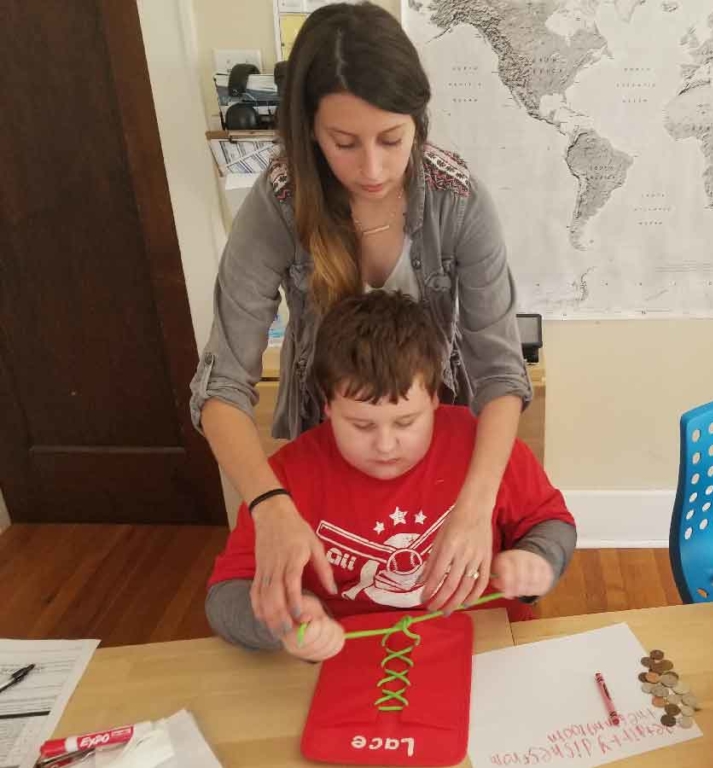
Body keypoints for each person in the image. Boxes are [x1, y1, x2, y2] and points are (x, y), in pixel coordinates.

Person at [190, 3, 533, 640]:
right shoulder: (279, 203)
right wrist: (270, 506)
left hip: (436, 434)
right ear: (309, 132)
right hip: (322, 443)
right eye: (344, 143)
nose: (372, 170)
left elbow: (501, 376)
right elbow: (220, 388)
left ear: (417, 123)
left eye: (392, 140)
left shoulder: (458, 200)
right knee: (331, 614)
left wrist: (474, 501)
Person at [205, 291, 576, 660]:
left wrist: (537, 558)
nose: (385, 446)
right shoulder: (286, 477)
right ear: (328, 405)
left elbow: (552, 523)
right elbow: (224, 598)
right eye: (361, 425)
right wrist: (285, 620)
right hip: (351, 662)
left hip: (486, 649)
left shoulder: (484, 443)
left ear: (434, 397)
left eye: (406, 422)